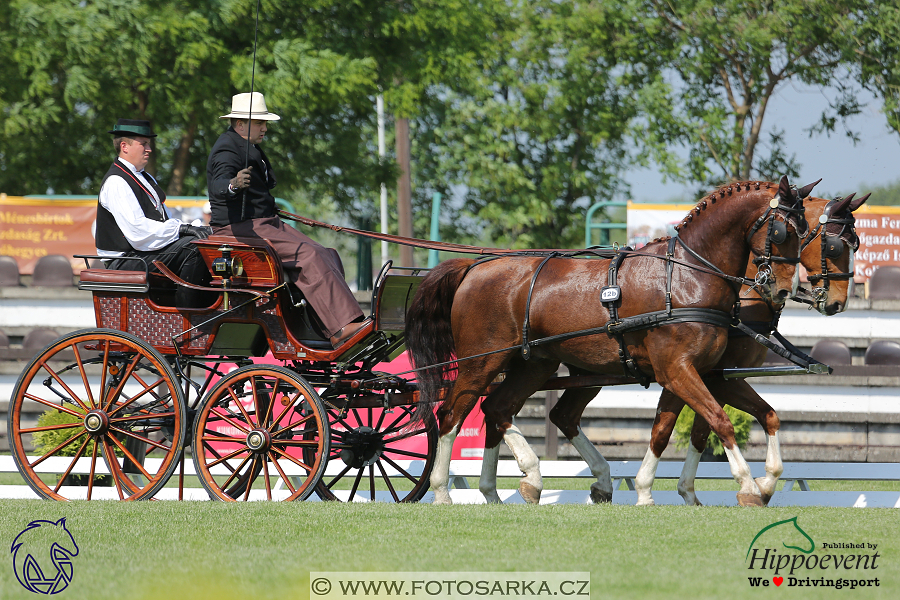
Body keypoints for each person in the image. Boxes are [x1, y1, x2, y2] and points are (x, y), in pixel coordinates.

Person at [207, 92, 367, 348]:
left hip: (264, 223)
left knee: (326, 252)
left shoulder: (249, 146)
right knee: (310, 255)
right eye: (259, 123)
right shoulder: (227, 147)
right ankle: (340, 328)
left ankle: (335, 325)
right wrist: (234, 185)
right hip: (239, 229)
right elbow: (218, 185)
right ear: (240, 124)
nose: (265, 128)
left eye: (264, 123)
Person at [96, 118, 213, 307]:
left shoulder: (145, 177)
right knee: (194, 248)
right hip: (126, 261)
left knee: (209, 243)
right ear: (124, 146)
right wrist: (182, 230)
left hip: (142, 254)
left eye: (148, 144)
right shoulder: (116, 182)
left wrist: (193, 228)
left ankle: (209, 305)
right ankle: (189, 314)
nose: (149, 149)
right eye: (144, 144)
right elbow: (138, 231)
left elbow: (165, 218)